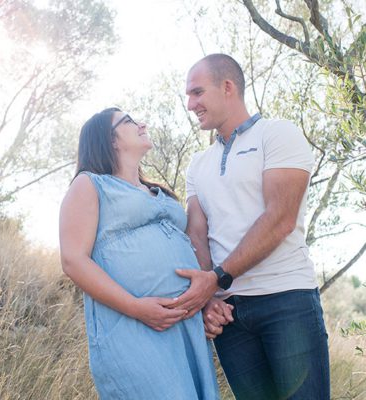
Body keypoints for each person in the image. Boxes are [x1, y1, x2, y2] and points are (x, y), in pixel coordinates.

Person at [172, 54, 330, 399]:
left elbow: (280, 219)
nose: (190, 104)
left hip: (286, 301)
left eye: (197, 93)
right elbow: (196, 233)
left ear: (227, 87)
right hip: (230, 317)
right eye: (188, 95)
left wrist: (215, 278)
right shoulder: (198, 164)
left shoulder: (278, 134)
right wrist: (209, 297)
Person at [59, 108, 219, 399]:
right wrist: (136, 308)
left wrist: (206, 299)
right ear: (111, 140)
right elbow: (73, 260)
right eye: (129, 121)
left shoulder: (157, 191)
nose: (142, 123)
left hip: (184, 325)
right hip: (132, 326)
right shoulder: (90, 184)